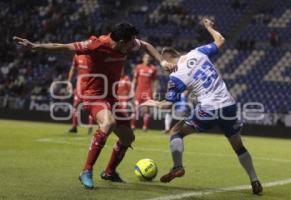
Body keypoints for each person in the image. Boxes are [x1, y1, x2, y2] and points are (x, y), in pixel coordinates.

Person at [14, 22, 175, 189]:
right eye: (130, 43)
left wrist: (162, 63)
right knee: (108, 123)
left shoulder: (128, 44)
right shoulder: (96, 45)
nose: (132, 46)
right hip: (92, 95)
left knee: (128, 137)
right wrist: (34, 46)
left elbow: (146, 45)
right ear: (120, 42)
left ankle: (109, 172)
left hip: (111, 97)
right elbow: (62, 47)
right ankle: (86, 171)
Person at [141, 18, 263, 195]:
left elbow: (168, 105)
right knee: (238, 146)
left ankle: (177, 166)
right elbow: (220, 40)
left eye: (164, 64)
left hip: (209, 108)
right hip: (229, 106)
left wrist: (153, 102)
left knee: (176, 132)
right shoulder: (197, 52)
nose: (165, 68)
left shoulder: (176, 76)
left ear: (168, 59)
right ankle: (254, 179)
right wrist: (209, 28)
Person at [67, 54, 93, 134]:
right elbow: (72, 68)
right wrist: (68, 82)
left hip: (90, 85)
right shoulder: (77, 56)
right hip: (79, 86)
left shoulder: (93, 56)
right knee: (75, 105)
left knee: (90, 107)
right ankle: (74, 127)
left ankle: (90, 126)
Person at [131, 53, 158, 131]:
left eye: (149, 58)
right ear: (143, 59)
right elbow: (134, 79)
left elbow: (155, 81)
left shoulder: (153, 68)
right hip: (139, 91)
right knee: (135, 109)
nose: (148, 59)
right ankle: (133, 126)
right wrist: (132, 89)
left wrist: (155, 91)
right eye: (146, 57)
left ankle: (145, 127)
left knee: (147, 109)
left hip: (148, 91)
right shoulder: (138, 67)